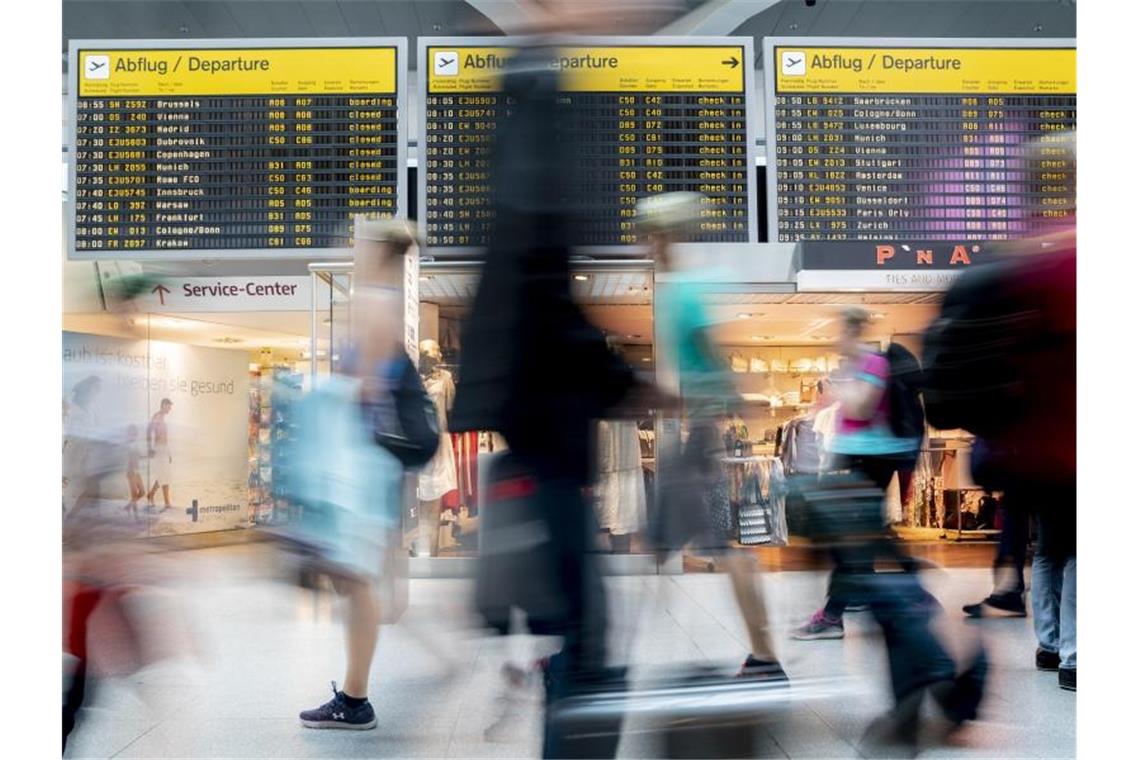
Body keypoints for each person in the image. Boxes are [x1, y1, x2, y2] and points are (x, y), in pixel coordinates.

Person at [640, 191, 785, 681]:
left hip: (701, 433)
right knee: (684, 540)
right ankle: (763, 651)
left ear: (664, 234)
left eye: (649, 233)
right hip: (699, 429)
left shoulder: (684, 287)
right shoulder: (687, 282)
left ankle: (766, 652)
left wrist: (722, 402)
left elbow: (709, 352)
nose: (645, 243)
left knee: (713, 545)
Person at [291, 218, 416, 730]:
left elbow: (365, 391)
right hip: (367, 467)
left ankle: (356, 697)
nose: (351, 249)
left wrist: (322, 391)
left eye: (358, 243)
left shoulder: (375, 302)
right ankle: (354, 693)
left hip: (358, 468)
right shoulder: (379, 299)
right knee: (355, 580)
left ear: (375, 251)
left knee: (357, 582)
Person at [792, 308, 924, 640]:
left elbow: (861, 408)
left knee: (850, 539)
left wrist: (839, 387)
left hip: (871, 459)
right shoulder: (855, 366)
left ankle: (834, 614)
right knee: (857, 537)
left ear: (853, 332)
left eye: (841, 333)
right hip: (854, 456)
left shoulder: (873, 364)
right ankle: (910, 585)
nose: (837, 340)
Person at [146, 398, 174, 512]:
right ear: (163, 405)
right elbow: (148, 432)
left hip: (163, 449)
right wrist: (150, 448)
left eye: (170, 407)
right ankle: (166, 502)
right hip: (158, 450)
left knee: (164, 475)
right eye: (169, 406)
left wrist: (168, 452)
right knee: (163, 475)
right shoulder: (157, 416)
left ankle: (151, 495)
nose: (170, 409)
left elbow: (165, 438)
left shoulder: (163, 418)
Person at [123, 424, 145, 521]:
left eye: (135, 432)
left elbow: (138, 457)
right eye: (133, 432)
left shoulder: (135, 443)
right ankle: (136, 518)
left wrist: (147, 456)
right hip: (131, 472)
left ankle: (128, 507)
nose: (135, 433)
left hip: (137, 471)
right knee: (135, 494)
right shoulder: (128, 444)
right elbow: (129, 458)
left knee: (142, 492)